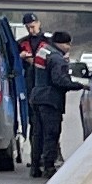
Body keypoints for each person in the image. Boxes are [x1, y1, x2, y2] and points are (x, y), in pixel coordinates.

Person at [19, 28, 70, 175]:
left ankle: (35, 167)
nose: (68, 48)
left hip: (37, 96)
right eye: (67, 45)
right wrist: (77, 85)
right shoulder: (57, 58)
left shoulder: (42, 52)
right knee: (51, 133)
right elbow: (59, 81)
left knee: (37, 133)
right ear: (62, 44)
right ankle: (49, 167)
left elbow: (31, 74)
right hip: (50, 100)